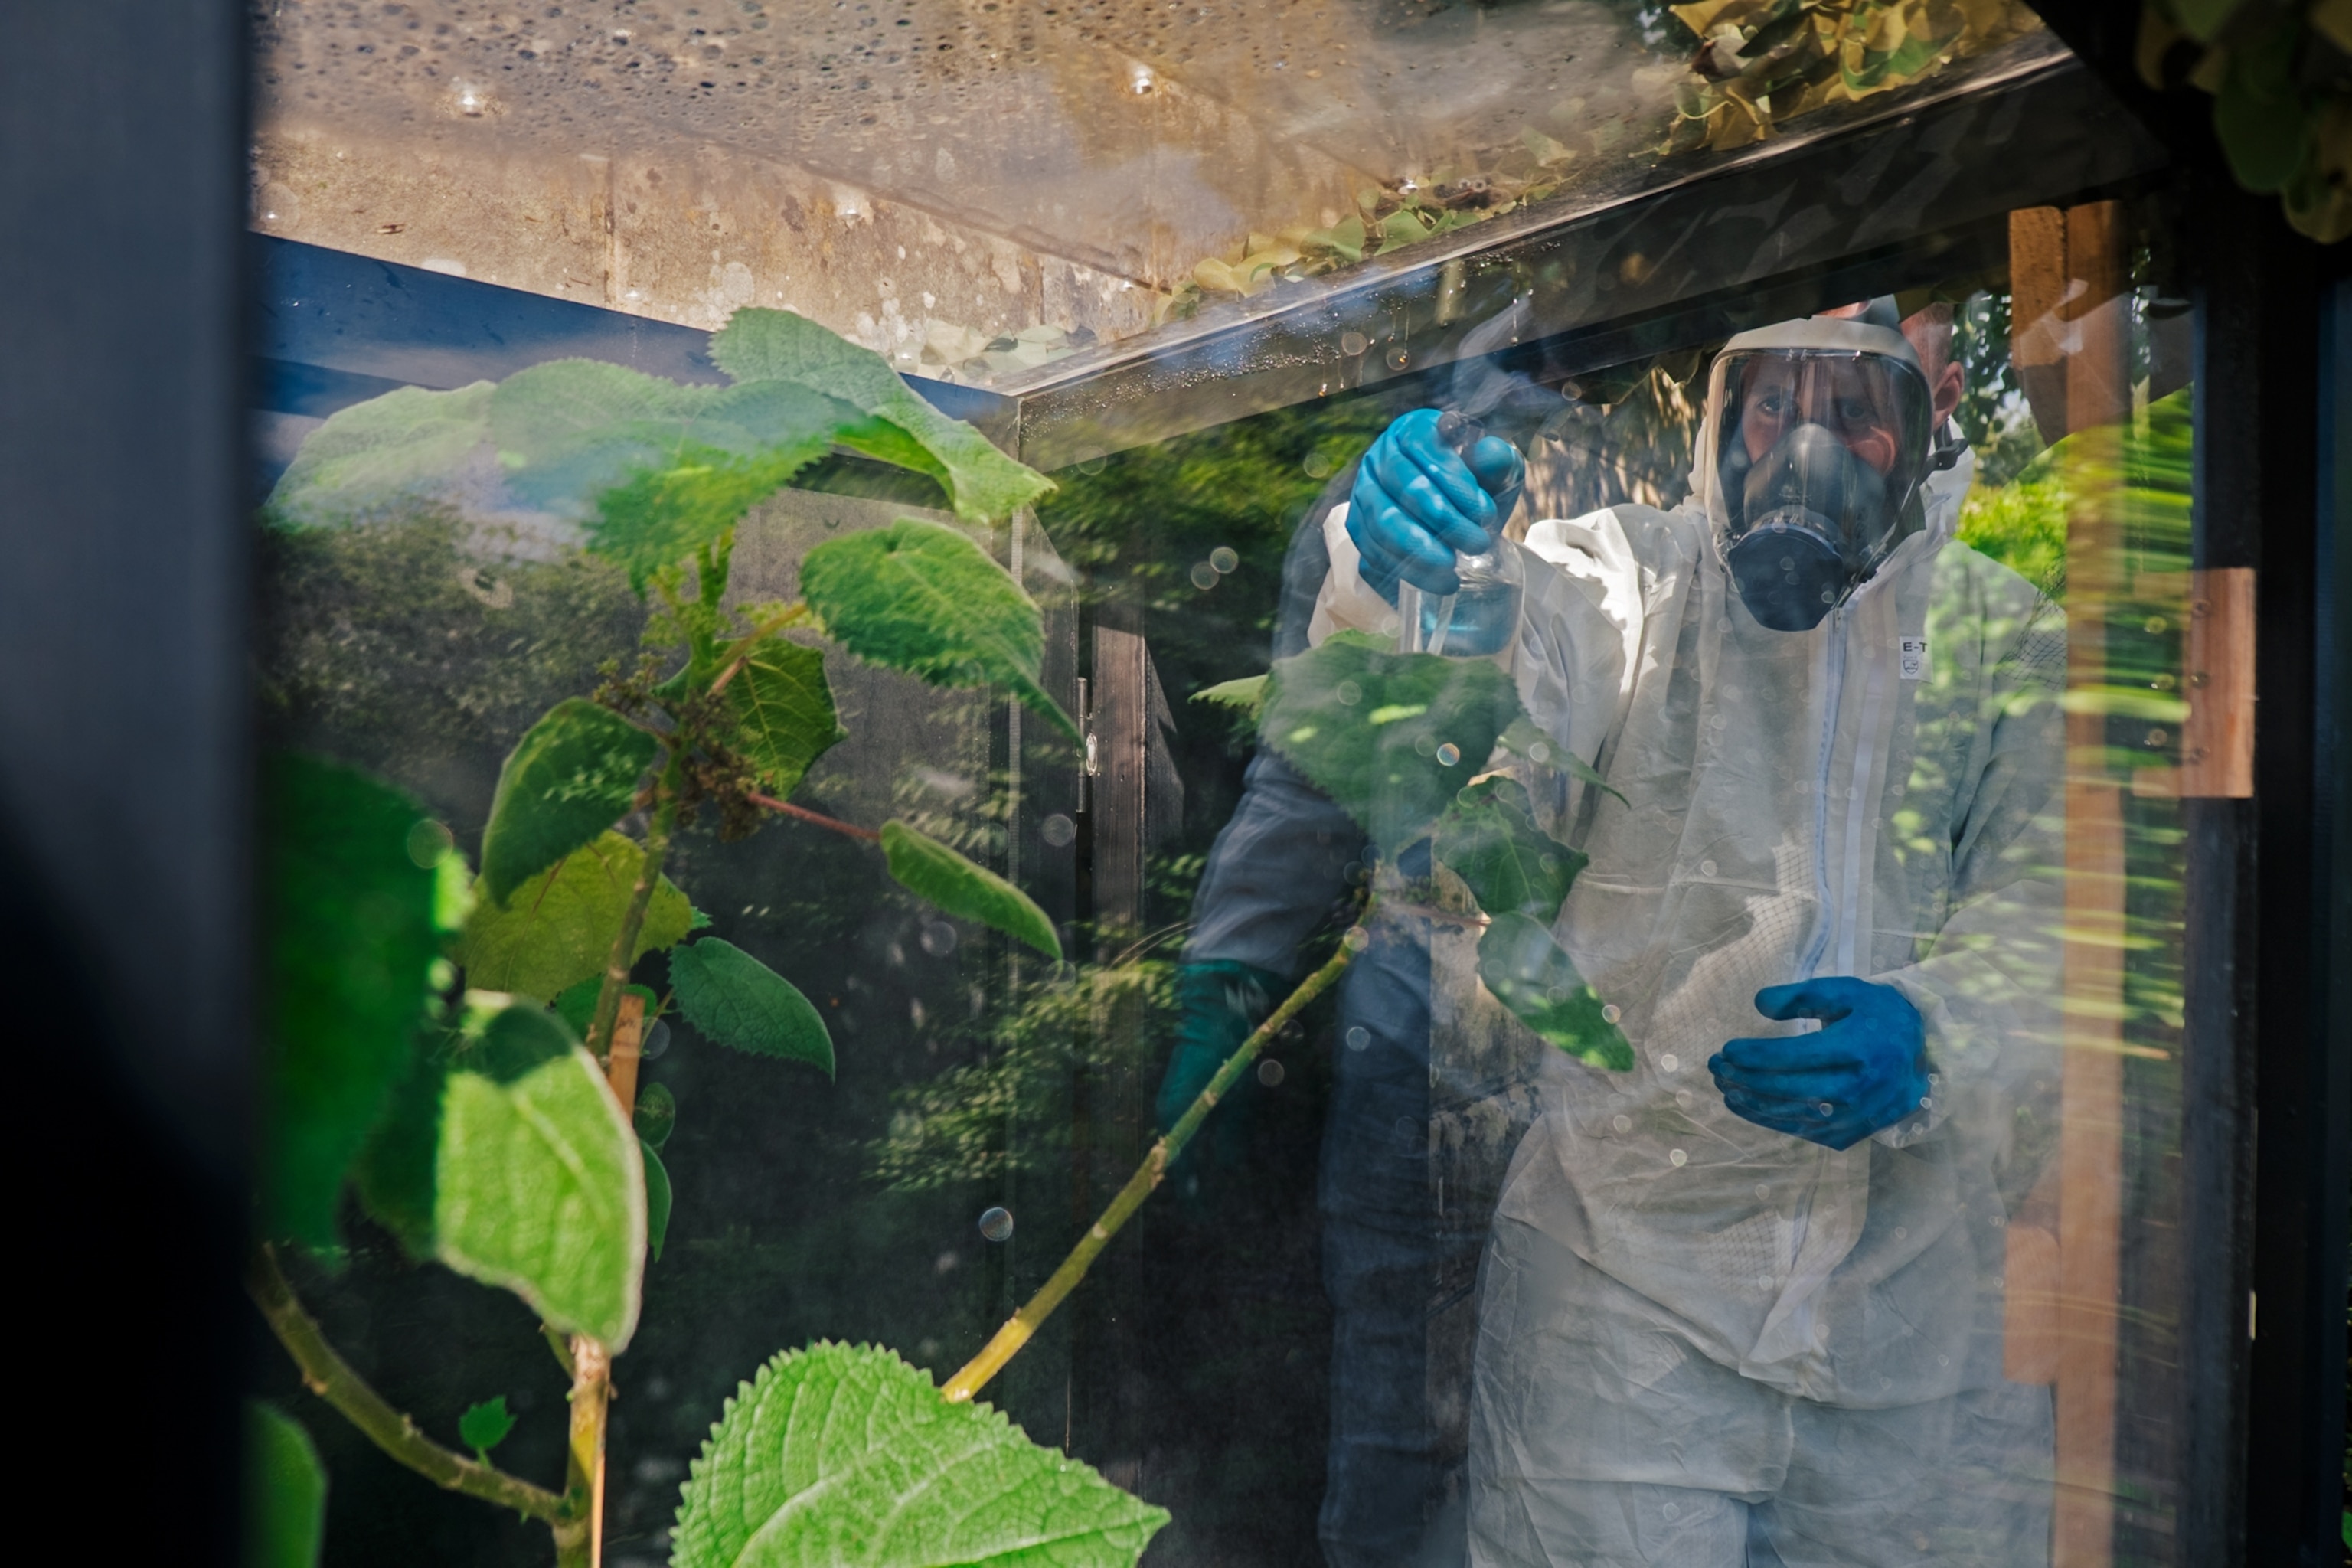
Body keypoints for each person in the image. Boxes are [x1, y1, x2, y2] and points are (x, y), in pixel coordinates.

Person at [1168, 298, 2066, 1566]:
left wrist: (1942, 1036)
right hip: (1622, 1299)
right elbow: (1478, 692)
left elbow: (2065, 922)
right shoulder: (1633, 582)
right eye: (1775, 404)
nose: (1807, 442)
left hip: (1912, 1328)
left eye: (1855, 412)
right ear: (1722, 419)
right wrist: (1403, 566)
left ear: (1935, 408)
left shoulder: (2008, 639)